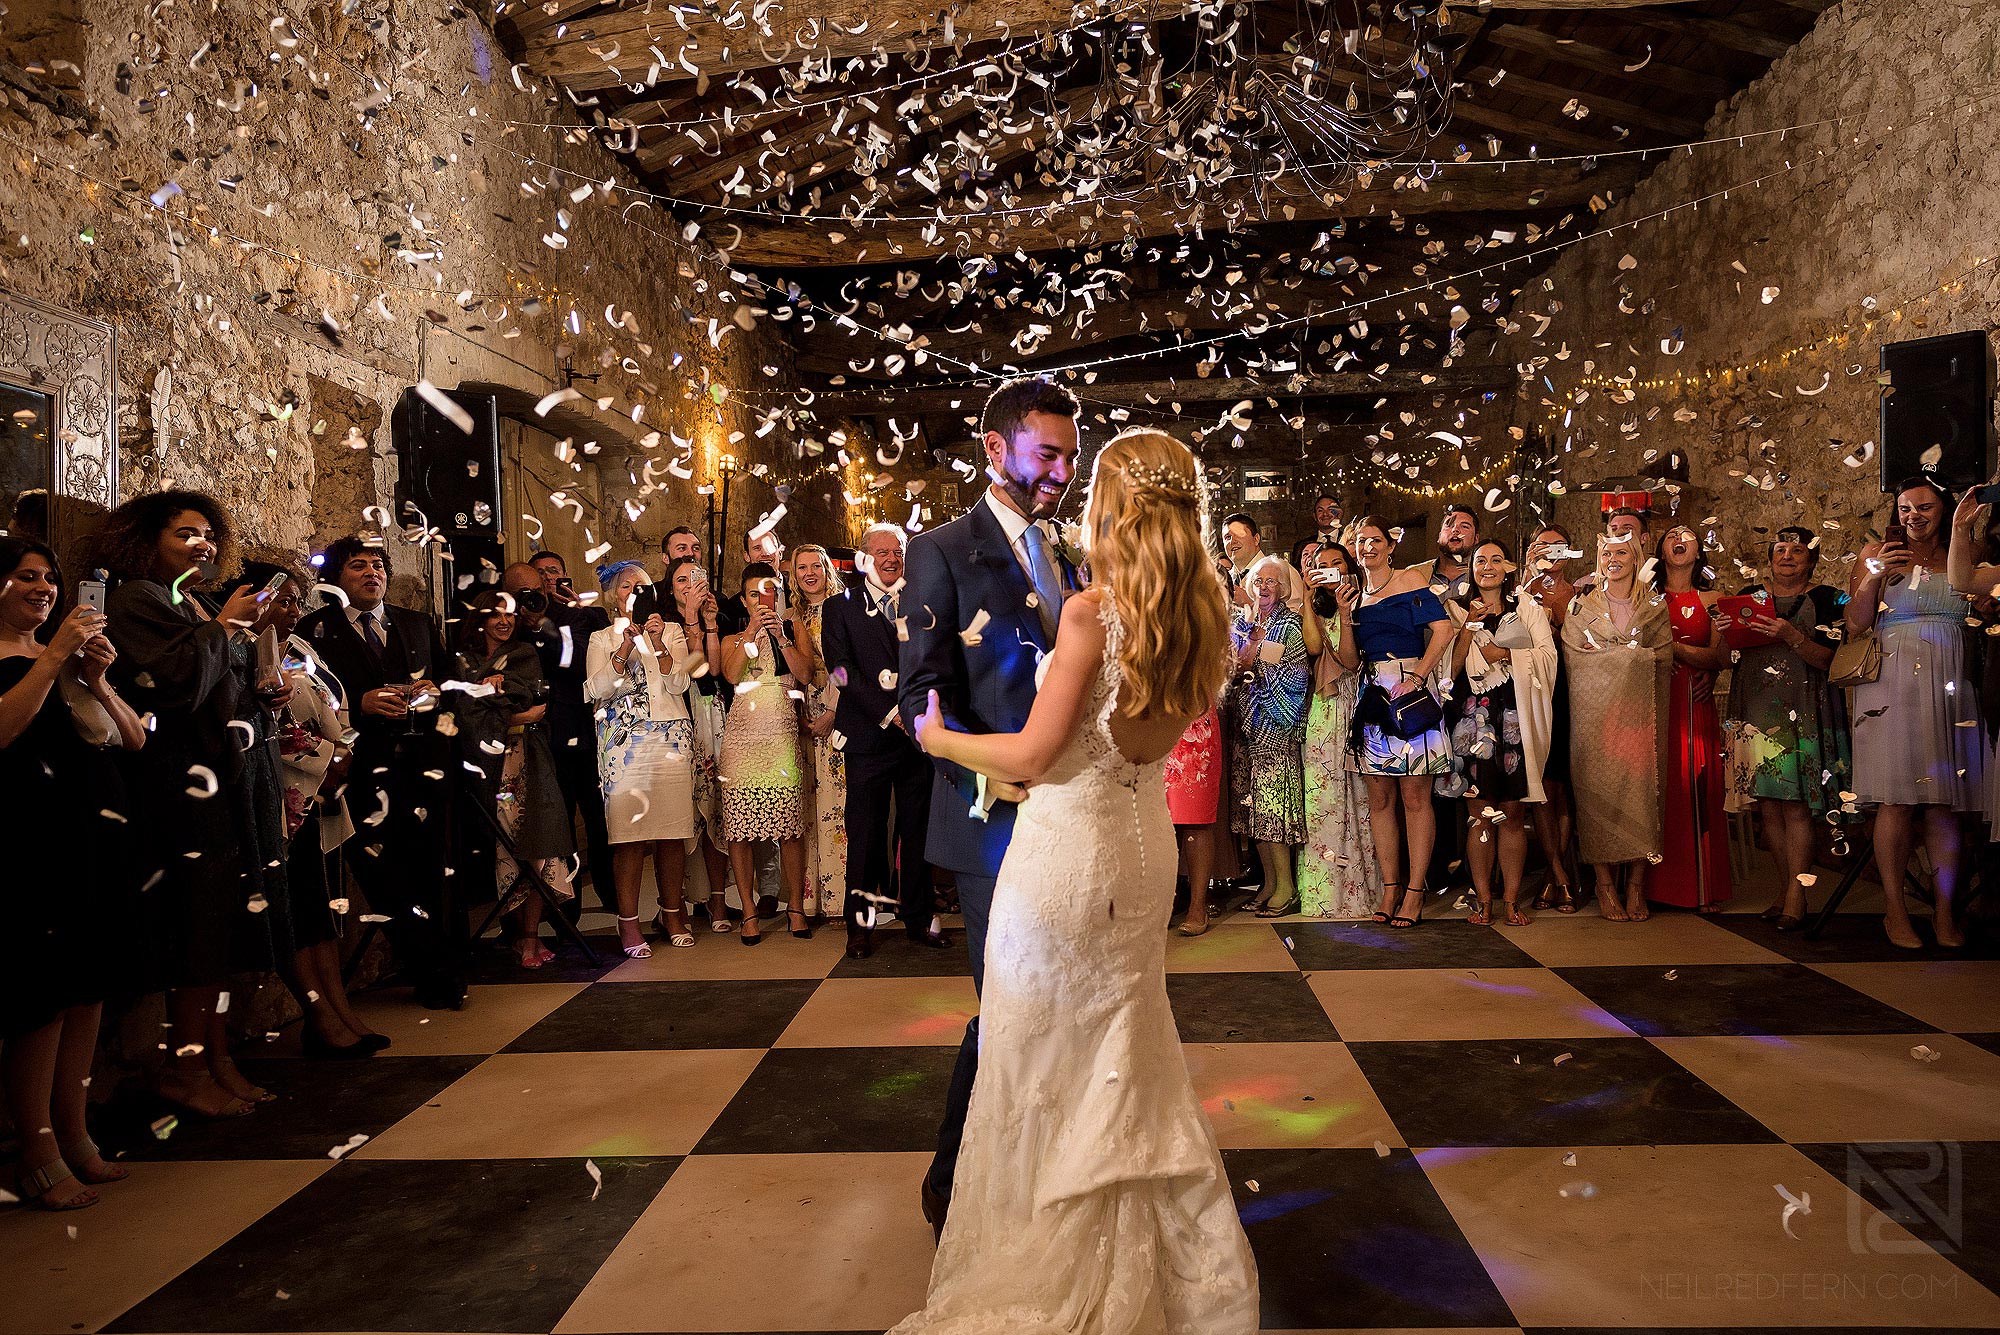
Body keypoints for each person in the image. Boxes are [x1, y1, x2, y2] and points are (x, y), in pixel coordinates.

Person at [895, 427, 1256, 1334]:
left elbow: (1036, 753)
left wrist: (939, 739)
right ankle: (1152, 1253)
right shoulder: (1204, 607)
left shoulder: (1097, 612)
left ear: (1115, 505)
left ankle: (1050, 1255)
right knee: (1123, 1049)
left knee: (1039, 1058)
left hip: (1067, 855)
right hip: (1142, 845)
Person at [902, 374, 1082, 1236]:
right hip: (991, 822)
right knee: (1009, 1002)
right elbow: (918, 696)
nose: (1062, 472)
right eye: (1048, 453)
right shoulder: (940, 548)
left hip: (1072, 821)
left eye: (1071, 456)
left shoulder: (1068, 557)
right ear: (995, 447)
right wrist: (984, 771)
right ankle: (951, 1178)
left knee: (1060, 1003)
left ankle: (1039, 1166)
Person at [99, 491, 292, 1113]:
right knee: (193, 928)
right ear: (147, 540)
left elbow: (227, 679)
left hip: (221, 775)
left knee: (219, 927)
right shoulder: (135, 600)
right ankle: (181, 1068)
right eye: (185, 534)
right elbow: (176, 684)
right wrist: (224, 629)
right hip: (175, 781)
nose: (201, 545)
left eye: (208, 535)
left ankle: (216, 1057)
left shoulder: (195, 601)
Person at [0, 535, 145, 1207]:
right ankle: (35, 1148)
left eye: (49, 578)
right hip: (24, 842)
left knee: (89, 989)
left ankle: (75, 1130)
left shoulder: (56, 659)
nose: (44, 588)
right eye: (27, 577)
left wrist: (95, 679)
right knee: (42, 998)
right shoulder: (21, 656)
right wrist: (54, 653)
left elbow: (135, 739)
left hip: (86, 838)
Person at [296, 535, 462, 1009]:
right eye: (357, 567)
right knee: (380, 873)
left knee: (430, 869)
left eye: (377, 565)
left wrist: (433, 694)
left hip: (421, 768)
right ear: (336, 579)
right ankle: (434, 970)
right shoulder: (314, 631)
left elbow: (450, 688)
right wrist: (361, 704)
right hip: (359, 772)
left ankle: (441, 967)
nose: (372, 573)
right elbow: (309, 703)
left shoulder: (415, 624)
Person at [1852, 476, 1982, 948]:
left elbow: (1980, 607)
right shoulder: (1877, 552)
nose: (1913, 517)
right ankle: (1894, 910)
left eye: (1923, 508)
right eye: (1905, 509)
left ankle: (1945, 912)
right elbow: (1856, 621)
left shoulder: (1962, 553)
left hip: (1951, 677)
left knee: (1943, 799)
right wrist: (1873, 576)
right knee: (1897, 798)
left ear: (1943, 510)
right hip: (1893, 679)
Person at [261, 566, 382, 1057]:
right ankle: (319, 1014)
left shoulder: (303, 650)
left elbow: (339, 707)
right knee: (296, 911)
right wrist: (328, 758)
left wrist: (345, 751)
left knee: (321, 908)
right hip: (284, 794)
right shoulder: (249, 648)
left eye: (296, 601)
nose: (292, 610)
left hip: (322, 791)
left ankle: (339, 1007)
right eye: (282, 601)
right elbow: (267, 723)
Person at [823, 523, 941, 957]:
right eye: (882, 552)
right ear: (865, 559)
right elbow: (838, 669)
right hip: (868, 737)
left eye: (898, 551)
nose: (891, 558)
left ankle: (918, 918)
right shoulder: (839, 608)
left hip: (917, 739)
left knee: (917, 832)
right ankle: (859, 928)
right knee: (866, 834)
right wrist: (889, 713)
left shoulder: (921, 602)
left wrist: (922, 715)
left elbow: (936, 659)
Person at [1726, 526, 1849, 930]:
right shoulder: (1748, 595)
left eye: (1798, 550)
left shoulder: (1828, 598)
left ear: (1811, 560)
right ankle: (1784, 888)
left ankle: (1797, 897)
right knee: (1768, 807)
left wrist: (1792, 636)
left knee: (1796, 807)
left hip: (1804, 709)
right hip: (1756, 708)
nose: (1788, 556)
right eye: (1781, 549)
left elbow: (1831, 660)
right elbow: (1730, 651)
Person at [457, 592, 577, 966]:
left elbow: (534, 698)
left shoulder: (525, 653)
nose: (504, 622)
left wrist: (502, 690)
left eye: (509, 615)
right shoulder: (464, 661)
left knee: (539, 842)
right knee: (503, 850)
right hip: (490, 769)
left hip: (531, 763)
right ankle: (512, 933)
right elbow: (465, 712)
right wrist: (513, 714)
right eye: (495, 615)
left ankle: (531, 936)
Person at [1346, 515, 1454, 928]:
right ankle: (1390, 888)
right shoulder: (1354, 596)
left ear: (1390, 546)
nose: (1368, 547)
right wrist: (1342, 609)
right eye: (1361, 542)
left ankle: (1415, 891)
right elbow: (1352, 657)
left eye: (1375, 540)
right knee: (1380, 800)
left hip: (1409, 692)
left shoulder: (1409, 581)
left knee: (1414, 798)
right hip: (1371, 695)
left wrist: (1419, 675)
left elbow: (1443, 630)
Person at [585, 561, 698, 957]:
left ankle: (672, 913)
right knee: (629, 838)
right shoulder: (600, 637)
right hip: (623, 743)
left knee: (671, 831)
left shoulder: (671, 630)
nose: (634, 592)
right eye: (626, 586)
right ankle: (628, 922)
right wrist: (624, 650)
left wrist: (659, 643)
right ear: (613, 595)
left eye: (642, 586)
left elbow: (680, 682)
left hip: (670, 738)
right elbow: (596, 689)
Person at [1444, 540, 1558, 926]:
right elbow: (1450, 671)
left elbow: (1548, 656)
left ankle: (1511, 899)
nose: (1488, 566)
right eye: (1480, 560)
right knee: (1478, 815)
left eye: (1496, 559)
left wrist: (1506, 654)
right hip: (1472, 720)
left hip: (1513, 719)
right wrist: (1466, 628)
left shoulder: (1527, 608)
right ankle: (1484, 898)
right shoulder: (1456, 608)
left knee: (1510, 812)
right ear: (1471, 569)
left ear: (1508, 567)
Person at [1562, 533, 1671, 922]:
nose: (1613, 558)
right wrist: (1627, 656)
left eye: (1621, 552)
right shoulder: (1582, 605)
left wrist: (1620, 657)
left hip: (1639, 718)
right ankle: (1604, 885)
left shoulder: (1654, 605)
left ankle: (1637, 886)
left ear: (1636, 556)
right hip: (1594, 720)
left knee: (1644, 792)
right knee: (1595, 794)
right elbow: (1576, 658)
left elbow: (1663, 655)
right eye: (1606, 552)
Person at [504, 557, 613, 917]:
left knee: (601, 821)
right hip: (542, 739)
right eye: (527, 592)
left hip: (585, 733)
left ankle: (615, 901)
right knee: (559, 825)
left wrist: (546, 625)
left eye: (551, 575)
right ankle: (567, 912)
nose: (547, 583)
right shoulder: (508, 621)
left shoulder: (582, 615)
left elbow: (584, 663)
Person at [718, 561, 813, 943]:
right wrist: (754, 631)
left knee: (789, 827)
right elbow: (730, 674)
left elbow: (805, 675)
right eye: (754, 593)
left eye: (768, 591)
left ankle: (795, 908)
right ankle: (749, 911)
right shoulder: (732, 638)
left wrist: (782, 638)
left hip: (780, 738)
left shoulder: (794, 628)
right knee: (739, 831)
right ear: (744, 600)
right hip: (742, 740)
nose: (762, 599)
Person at [1650, 524, 1733, 914]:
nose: (1678, 539)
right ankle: (1652, 885)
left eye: (1687, 535)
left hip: (1692, 701)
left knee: (1695, 788)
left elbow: (1720, 656)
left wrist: (1673, 650)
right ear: (1661, 550)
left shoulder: (1714, 598)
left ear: (1699, 551)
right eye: (1671, 535)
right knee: (1655, 788)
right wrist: (1687, 654)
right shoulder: (1646, 597)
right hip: (1649, 701)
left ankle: (1698, 887)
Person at [1295, 540, 1380, 919]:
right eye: (1321, 565)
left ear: (1349, 566)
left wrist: (1346, 613)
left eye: (1337, 563)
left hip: (1358, 703)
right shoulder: (1312, 606)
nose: (1330, 570)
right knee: (1323, 799)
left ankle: (1362, 890)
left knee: (1362, 799)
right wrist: (1308, 596)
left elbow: (1348, 660)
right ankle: (1324, 890)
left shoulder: (1365, 602)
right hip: (1324, 710)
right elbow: (1314, 649)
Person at [1230, 554, 1309, 916]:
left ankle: (1287, 887)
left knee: (1273, 809)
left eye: (1272, 582)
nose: (1264, 587)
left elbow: (1287, 673)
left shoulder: (1289, 625)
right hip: (1245, 724)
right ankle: (1268, 883)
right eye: (1259, 581)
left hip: (1275, 724)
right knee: (1252, 810)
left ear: (1284, 588)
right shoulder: (1245, 623)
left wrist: (1252, 653)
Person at [665, 555, 733, 929]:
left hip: (711, 714)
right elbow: (687, 670)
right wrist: (690, 619)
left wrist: (707, 623)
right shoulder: (662, 625)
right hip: (677, 716)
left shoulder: (715, 619)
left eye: (695, 579)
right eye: (681, 581)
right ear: (670, 588)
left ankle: (720, 902)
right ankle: (675, 907)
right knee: (682, 816)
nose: (689, 586)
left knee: (715, 808)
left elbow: (711, 671)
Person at [1522, 523, 1582, 912]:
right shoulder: (1521, 594)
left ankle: (1553, 874)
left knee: (1565, 786)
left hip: (1574, 691)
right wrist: (1528, 582)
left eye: (1559, 546)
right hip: (1537, 691)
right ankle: (1558, 873)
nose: (1551, 552)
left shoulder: (1581, 593)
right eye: (1542, 546)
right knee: (1542, 784)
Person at [790, 544, 849, 921]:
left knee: (837, 803)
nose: (809, 573)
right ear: (793, 575)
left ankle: (843, 897)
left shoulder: (845, 607)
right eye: (802, 568)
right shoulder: (790, 615)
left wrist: (832, 708)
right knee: (808, 804)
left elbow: (848, 664)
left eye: (816, 565)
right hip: (801, 709)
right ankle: (812, 899)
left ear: (827, 569)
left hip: (838, 704)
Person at [1418, 503, 1479, 602]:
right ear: (1439, 536)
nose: (1455, 530)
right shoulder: (1416, 573)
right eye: (1449, 525)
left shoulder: (1484, 576)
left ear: (1476, 539)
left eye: (1464, 526)